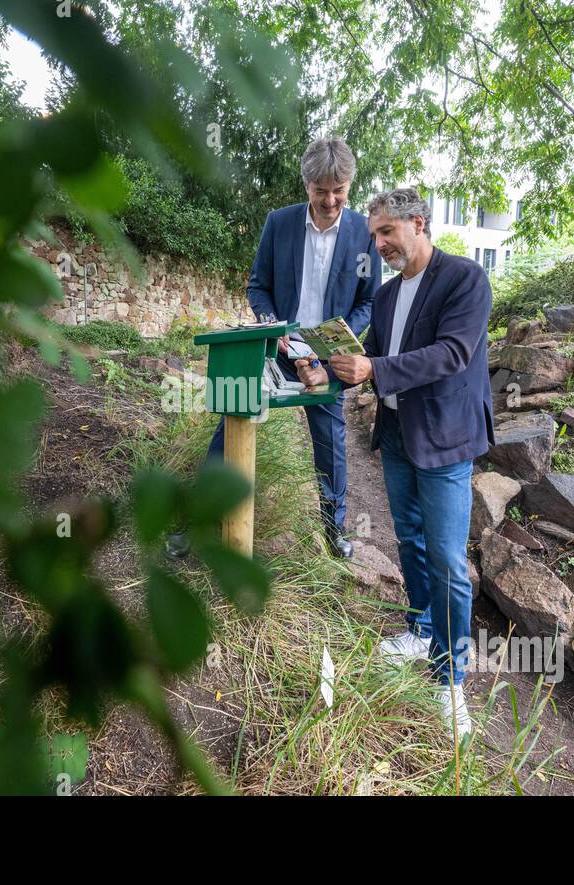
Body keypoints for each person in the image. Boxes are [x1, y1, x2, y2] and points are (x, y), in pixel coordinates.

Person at [296, 187, 495, 735]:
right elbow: (369, 358)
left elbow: (452, 354)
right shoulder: (384, 298)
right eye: (374, 235)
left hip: (445, 439)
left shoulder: (465, 280)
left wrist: (375, 371)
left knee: (450, 560)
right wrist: (326, 370)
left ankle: (451, 679)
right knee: (408, 538)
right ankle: (420, 626)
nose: (379, 243)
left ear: (419, 223)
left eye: (387, 232)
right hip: (397, 435)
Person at [206, 137, 380, 559]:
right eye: (321, 190)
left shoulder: (364, 233)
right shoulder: (279, 223)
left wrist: (336, 339)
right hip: (276, 348)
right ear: (307, 186)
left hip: (326, 357)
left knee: (331, 442)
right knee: (232, 416)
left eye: (339, 190)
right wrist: (271, 325)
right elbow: (258, 286)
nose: (331, 199)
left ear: (349, 186)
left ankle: (332, 528)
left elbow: (368, 300)